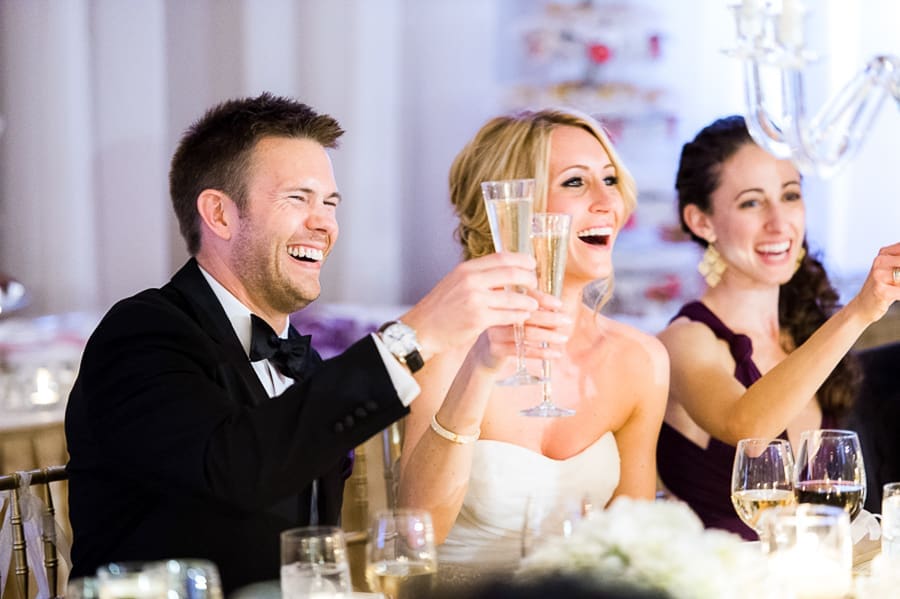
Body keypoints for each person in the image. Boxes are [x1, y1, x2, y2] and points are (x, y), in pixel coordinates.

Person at [64, 93, 545, 592]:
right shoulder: (144, 332)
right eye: (298, 198)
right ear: (220, 214)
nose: (324, 224)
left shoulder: (304, 361)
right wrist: (412, 336)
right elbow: (234, 471)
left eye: (330, 203)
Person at [397, 108, 669, 575]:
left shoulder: (640, 360)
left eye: (610, 180)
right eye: (575, 182)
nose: (608, 201)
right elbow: (415, 533)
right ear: (512, 208)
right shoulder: (445, 347)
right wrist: (480, 369)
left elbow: (632, 548)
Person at [656, 115, 900, 539]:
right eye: (751, 202)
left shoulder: (804, 332)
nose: (779, 222)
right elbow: (745, 427)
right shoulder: (684, 341)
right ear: (701, 222)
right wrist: (860, 312)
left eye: (790, 195)